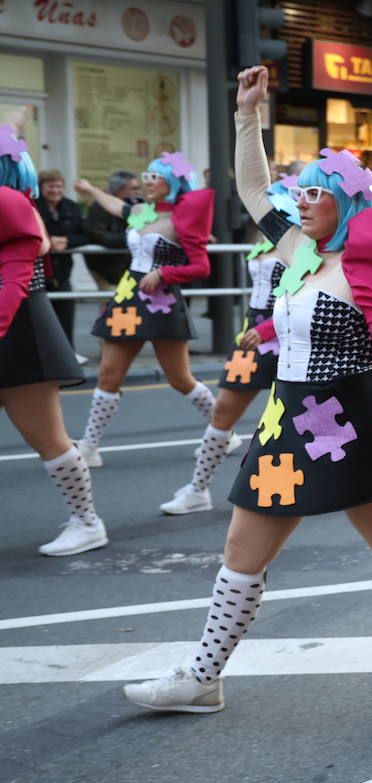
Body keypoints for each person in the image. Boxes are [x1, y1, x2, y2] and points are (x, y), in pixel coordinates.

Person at [122, 65, 372, 723]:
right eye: (299, 192)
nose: (299, 200)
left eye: (313, 192)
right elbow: (251, 186)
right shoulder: (298, 247)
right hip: (285, 420)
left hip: (352, 418)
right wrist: (248, 112)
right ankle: (203, 676)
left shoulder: (368, 263)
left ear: (345, 200)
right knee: (241, 553)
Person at [157, 184, 300, 515]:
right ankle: (198, 489)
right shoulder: (265, 239)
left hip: (288, 335)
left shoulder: (301, 246)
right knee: (223, 411)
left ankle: (298, 487)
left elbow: (304, 296)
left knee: (289, 420)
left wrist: (267, 329)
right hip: (253, 333)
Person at [0, 121, 106, 556]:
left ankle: (87, 521)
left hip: (20, 330)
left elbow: (14, 278)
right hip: (15, 323)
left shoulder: (10, 201)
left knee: (47, 438)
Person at [72, 151, 216, 469]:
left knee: (180, 379)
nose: (148, 182)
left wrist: (164, 273)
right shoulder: (141, 209)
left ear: (173, 182)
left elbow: (201, 265)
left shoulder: (184, 216)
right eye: (146, 176)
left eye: (155, 177)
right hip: (127, 297)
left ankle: (223, 429)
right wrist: (91, 190)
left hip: (161, 300)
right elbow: (117, 206)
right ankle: (90, 445)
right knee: (108, 375)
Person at [34, 168, 87, 348]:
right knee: (40, 324)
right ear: (41, 187)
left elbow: (86, 234)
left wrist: (67, 241)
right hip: (39, 275)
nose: (55, 190)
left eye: (59, 186)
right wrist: (49, 240)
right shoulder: (32, 206)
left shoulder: (71, 207)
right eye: (51, 186)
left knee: (66, 320)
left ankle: (68, 360)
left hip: (63, 273)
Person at [82, 170, 139, 291]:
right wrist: (133, 238)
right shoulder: (99, 208)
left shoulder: (136, 207)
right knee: (111, 304)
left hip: (127, 268)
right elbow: (98, 236)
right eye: (134, 188)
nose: (138, 192)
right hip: (105, 268)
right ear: (120, 190)